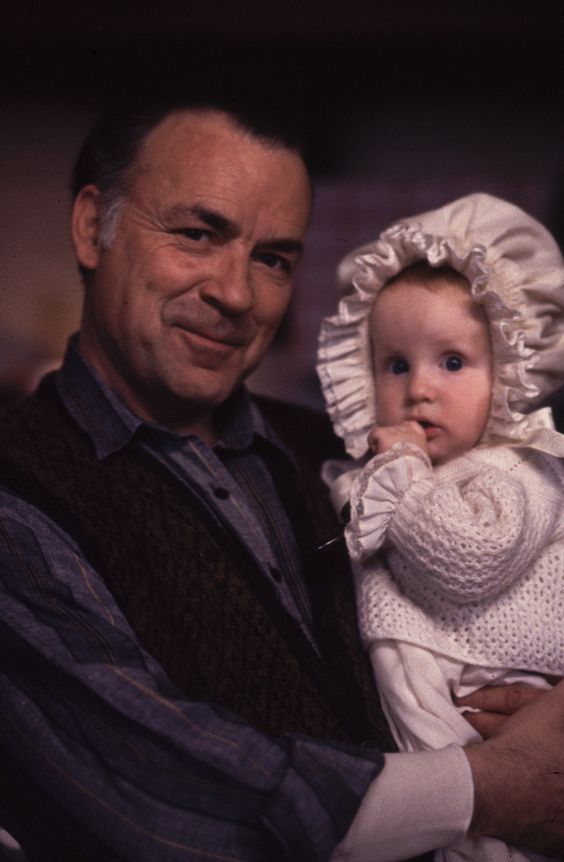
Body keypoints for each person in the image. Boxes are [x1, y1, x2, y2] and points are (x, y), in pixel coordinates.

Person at [0, 99, 563, 862]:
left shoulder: (339, 449)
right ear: (90, 227)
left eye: (273, 259)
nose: (236, 294)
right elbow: (160, 792)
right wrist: (496, 784)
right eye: (198, 234)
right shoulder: (20, 485)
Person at [317, 192, 564, 862]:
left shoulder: (521, 470)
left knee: (509, 828)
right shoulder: (372, 470)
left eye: (451, 362)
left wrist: (401, 468)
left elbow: (470, 557)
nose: (419, 388)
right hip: (415, 664)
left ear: (511, 372)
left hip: (498, 678)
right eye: (396, 364)